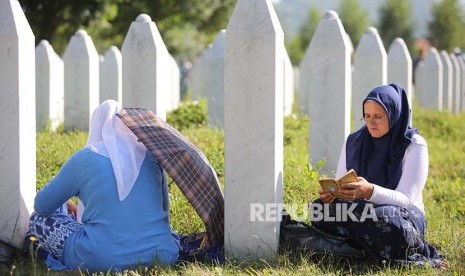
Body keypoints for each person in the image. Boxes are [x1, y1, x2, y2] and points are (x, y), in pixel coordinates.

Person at [28, 100, 180, 272]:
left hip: (98, 259)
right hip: (163, 253)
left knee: (37, 219)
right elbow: (164, 212)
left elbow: (42, 206)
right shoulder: (151, 156)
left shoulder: (85, 158)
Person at [310, 83, 446, 268]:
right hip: (362, 210)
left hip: (402, 214)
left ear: (394, 115)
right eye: (367, 116)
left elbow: (406, 198)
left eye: (378, 117)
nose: (371, 122)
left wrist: (370, 191)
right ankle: (371, 247)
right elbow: (342, 182)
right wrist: (332, 194)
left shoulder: (414, 145)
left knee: (385, 219)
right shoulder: (354, 140)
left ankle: (358, 246)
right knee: (319, 210)